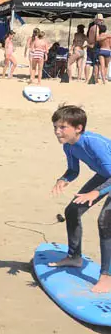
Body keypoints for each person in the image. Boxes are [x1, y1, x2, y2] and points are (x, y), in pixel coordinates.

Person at [47, 105, 111, 294]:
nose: (57, 132)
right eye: (55, 127)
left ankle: (107, 277)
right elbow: (74, 170)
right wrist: (63, 179)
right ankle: (75, 257)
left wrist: (95, 193)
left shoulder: (93, 143)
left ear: (78, 128)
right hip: (105, 176)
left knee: (105, 222)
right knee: (72, 210)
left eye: (62, 127)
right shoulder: (69, 146)